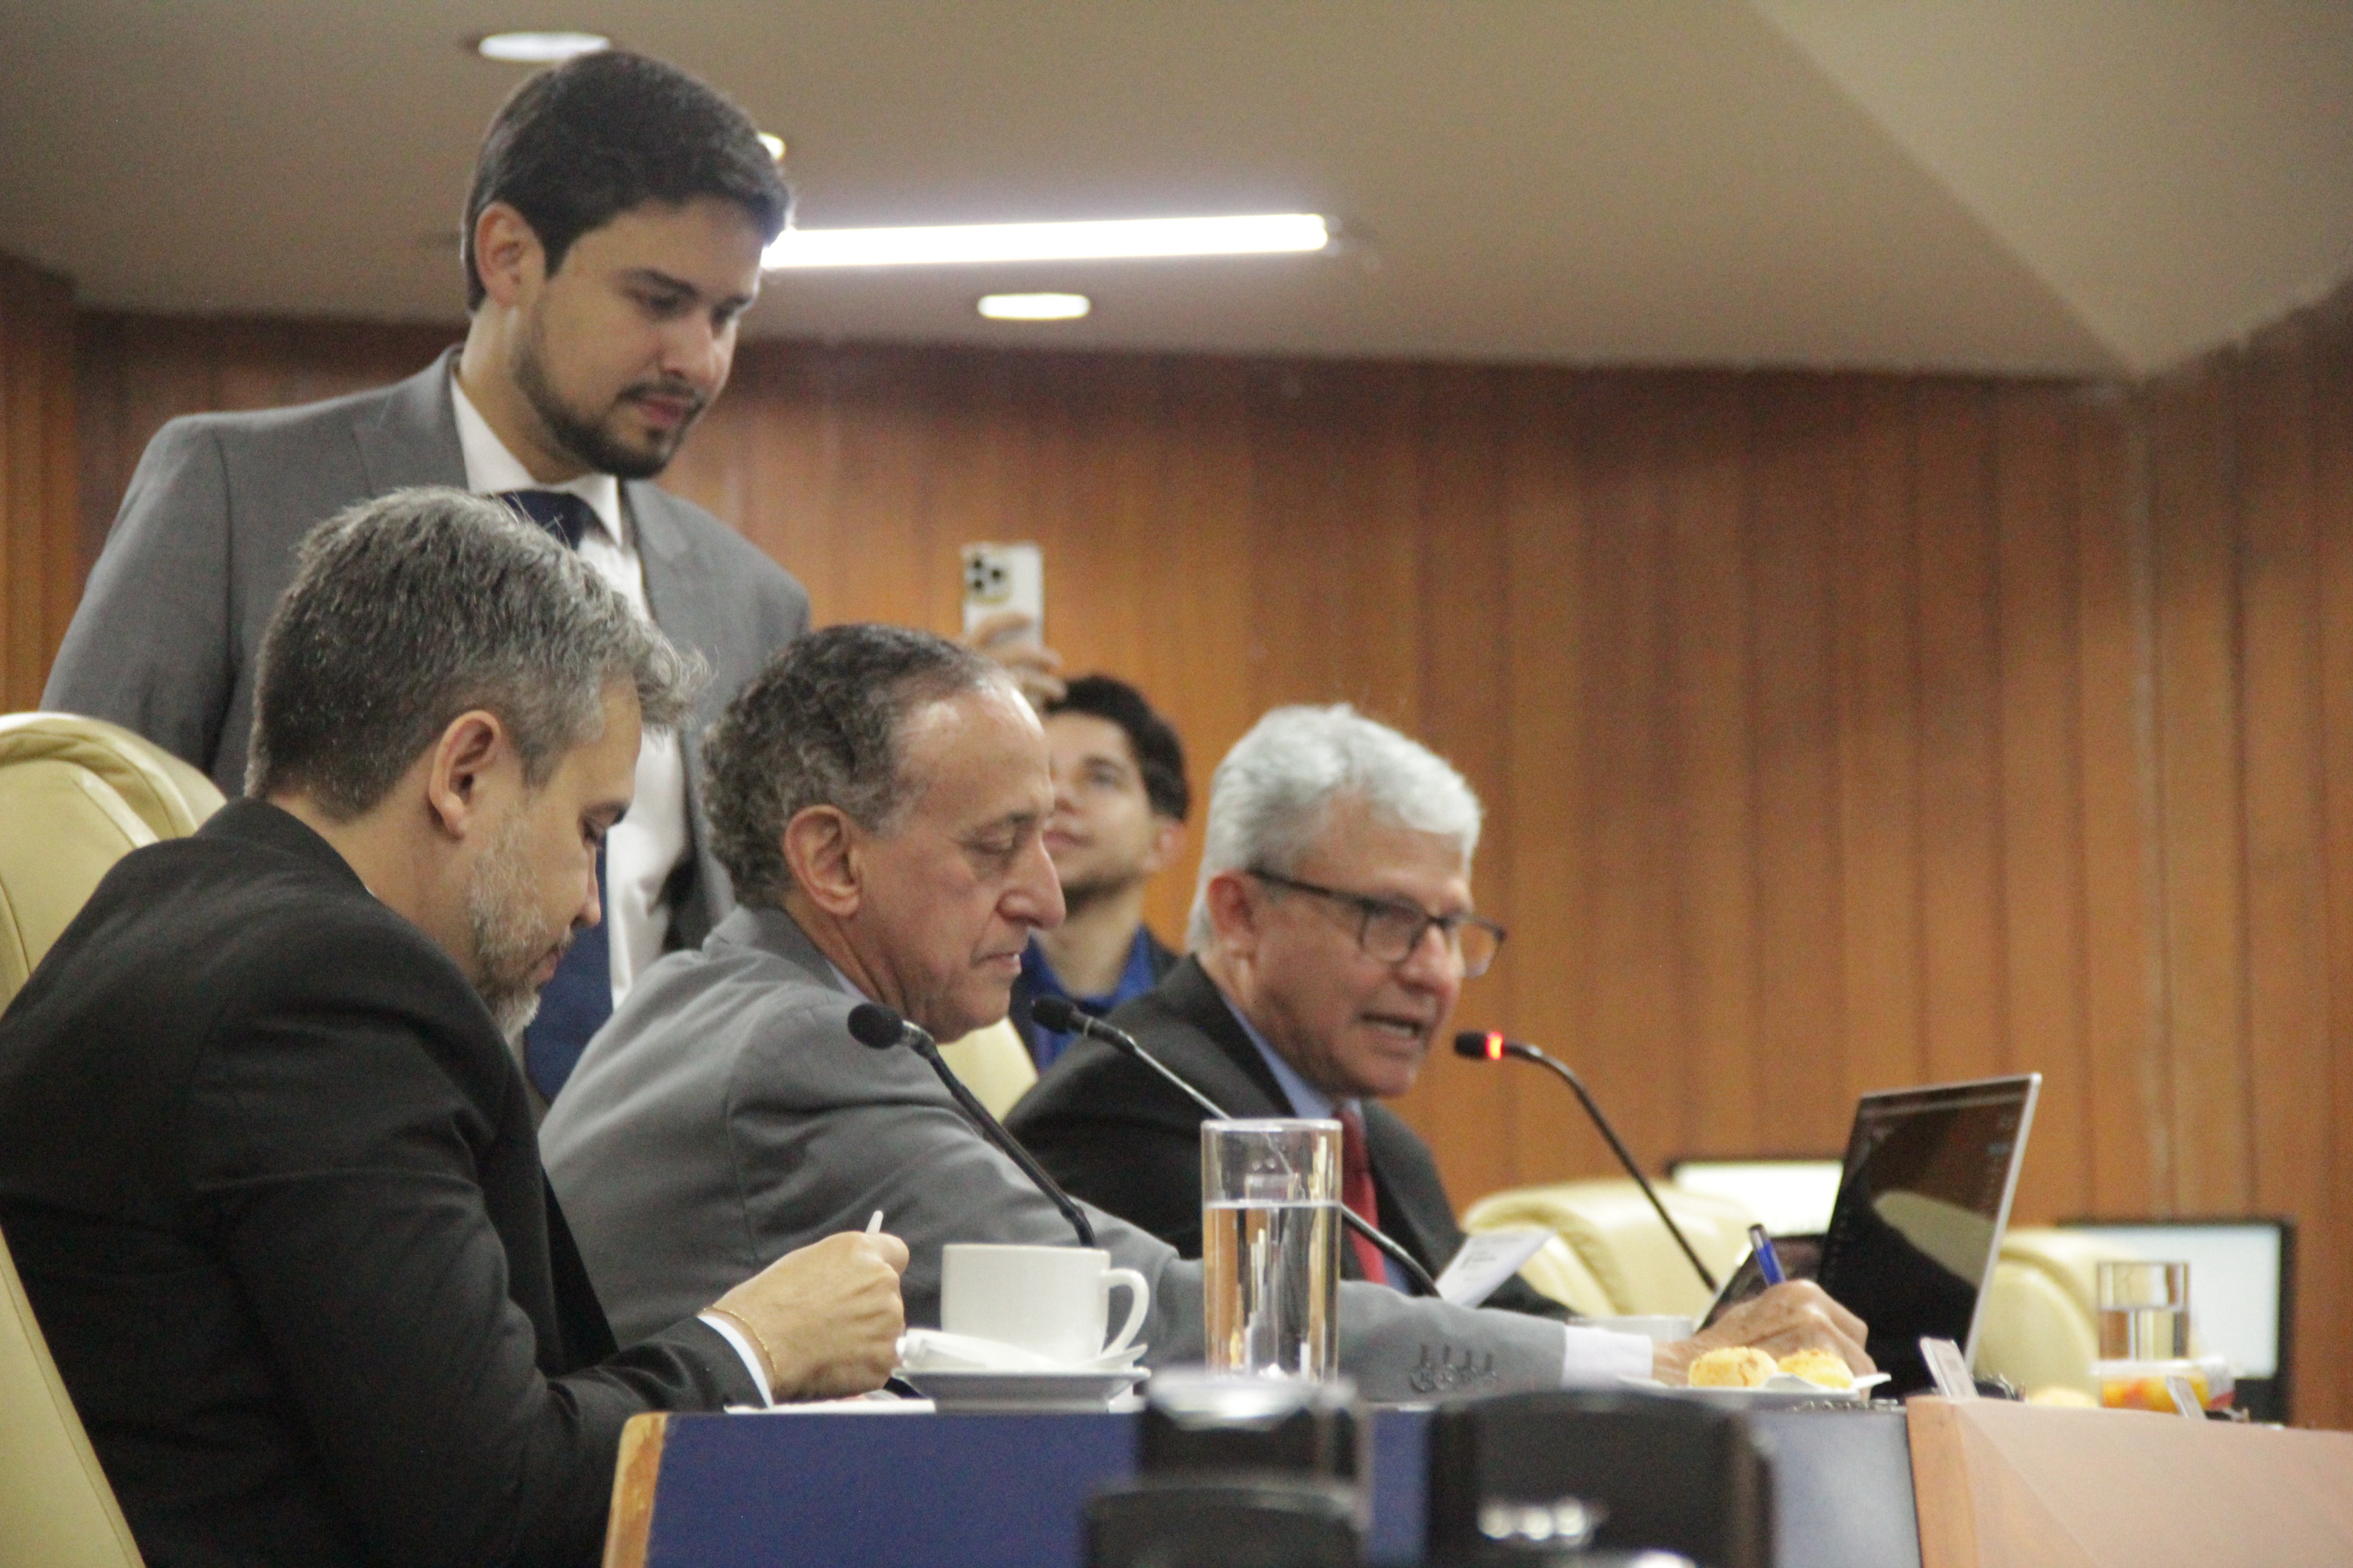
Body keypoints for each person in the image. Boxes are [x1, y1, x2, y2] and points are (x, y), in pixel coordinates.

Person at [540, 626, 1869, 1400]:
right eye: (999, 846)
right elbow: (1180, 1318)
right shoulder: (799, 1048)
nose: (1043, 896)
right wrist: (1666, 1365)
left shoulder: (728, 1002)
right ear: (831, 859)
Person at [0, 492, 907, 1568]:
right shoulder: (330, 998)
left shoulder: (154, 912)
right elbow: (497, 1505)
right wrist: (755, 1344)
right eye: (591, 829)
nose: (589, 903)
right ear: (465, 771)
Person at [42, 49, 806, 1102]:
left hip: (634, 1177)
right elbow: (67, 835)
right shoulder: (235, 490)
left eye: (726, 315)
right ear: (508, 254)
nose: (699, 359)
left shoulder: (751, 598)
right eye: (658, 299)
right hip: (292, 1135)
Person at [1006, 706, 1641, 1320]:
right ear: (1241, 915)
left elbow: (1513, 1324)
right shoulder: (1127, 1104)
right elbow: (1324, 1345)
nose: (1433, 972)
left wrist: (1676, 1352)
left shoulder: (1380, 1143)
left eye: (1448, 926)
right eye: (1386, 917)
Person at [1009, 674, 1189, 1068]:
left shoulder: (1200, 1016)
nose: (1059, 795)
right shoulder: (955, 988)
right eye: (1042, 773)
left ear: (1162, 842)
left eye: (1101, 778)